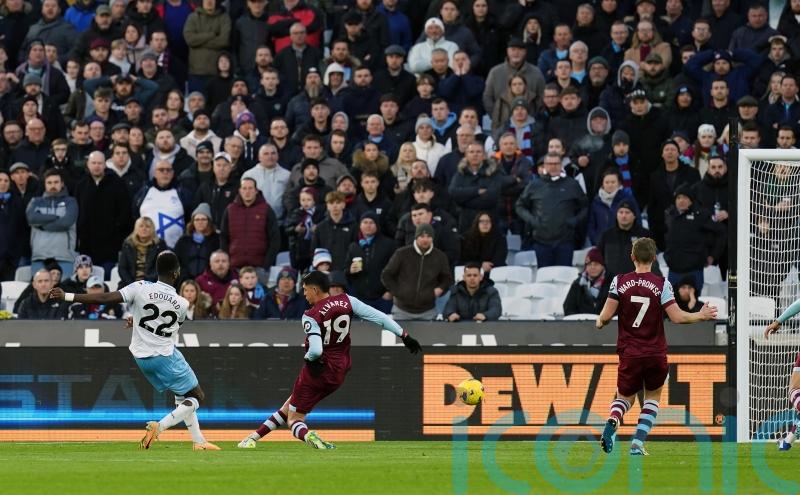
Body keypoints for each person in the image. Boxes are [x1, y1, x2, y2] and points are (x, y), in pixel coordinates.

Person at [49, 251, 220, 450]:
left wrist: (68, 295)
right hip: (164, 355)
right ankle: (159, 427)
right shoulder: (182, 303)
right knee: (197, 396)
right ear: (176, 273)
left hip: (141, 357)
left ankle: (198, 442)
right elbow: (169, 327)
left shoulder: (140, 287)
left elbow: (106, 297)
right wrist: (140, 320)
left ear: (156, 270)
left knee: (182, 395)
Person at [237, 270, 422, 449]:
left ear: (315, 290)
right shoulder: (347, 300)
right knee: (290, 405)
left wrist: (308, 357)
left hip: (317, 369)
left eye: (305, 289)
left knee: (294, 419)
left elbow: (316, 350)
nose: (304, 294)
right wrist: (404, 335)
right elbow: (380, 317)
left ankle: (308, 435)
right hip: (340, 370)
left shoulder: (310, 315)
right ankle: (252, 438)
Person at [596, 237, 717, 456]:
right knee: (653, 396)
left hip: (629, 352)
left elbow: (605, 317)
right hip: (654, 352)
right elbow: (677, 317)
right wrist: (700, 314)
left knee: (623, 397)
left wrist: (600, 322)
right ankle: (637, 444)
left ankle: (614, 419)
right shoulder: (662, 284)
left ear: (632, 256)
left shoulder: (619, 281)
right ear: (653, 258)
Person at [515, 153, 588, 267]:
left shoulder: (572, 184)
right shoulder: (534, 185)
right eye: (550, 164)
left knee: (564, 278)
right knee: (544, 278)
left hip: (565, 241)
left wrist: (575, 221)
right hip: (541, 242)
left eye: (556, 164)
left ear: (561, 165)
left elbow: (585, 207)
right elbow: (519, 206)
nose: (553, 166)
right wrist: (533, 221)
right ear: (544, 166)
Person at [381, 223, 453, 320]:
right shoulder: (402, 254)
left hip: (428, 310)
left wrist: (439, 289)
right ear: (416, 237)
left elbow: (447, 278)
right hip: (402, 310)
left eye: (429, 236)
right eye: (422, 236)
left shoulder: (440, 256)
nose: (425, 239)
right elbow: (386, 275)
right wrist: (397, 291)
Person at [26, 169, 79, 277]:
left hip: (65, 256)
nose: (53, 185)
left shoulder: (71, 202)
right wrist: (56, 217)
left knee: (64, 292)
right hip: (39, 256)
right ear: (44, 184)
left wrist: (42, 225)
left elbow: (65, 223)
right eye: (49, 182)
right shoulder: (35, 201)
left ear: (62, 183)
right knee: (39, 291)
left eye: (56, 182)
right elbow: (31, 218)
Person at [220, 177, 280, 270]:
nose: (247, 192)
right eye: (244, 188)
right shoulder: (230, 209)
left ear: (256, 191)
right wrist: (227, 261)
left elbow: (274, 239)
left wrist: (267, 264)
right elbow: (223, 237)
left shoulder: (266, 209)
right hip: (234, 267)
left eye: (250, 188)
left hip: (260, 267)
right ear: (239, 191)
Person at [345, 211, 397, 313]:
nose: (368, 225)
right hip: (359, 299)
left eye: (371, 222)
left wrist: (390, 292)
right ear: (360, 225)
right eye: (365, 222)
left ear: (377, 225)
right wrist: (350, 270)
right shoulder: (354, 246)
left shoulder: (389, 244)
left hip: (383, 298)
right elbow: (345, 272)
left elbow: (397, 271)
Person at [173, 203, 221, 283]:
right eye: (197, 219)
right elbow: (175, 262)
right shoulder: (183, 241)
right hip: (185, 283)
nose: (200, 222)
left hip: (209, 281)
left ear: (209, 221)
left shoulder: (217, 240)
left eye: (203, 219)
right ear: (193, 222)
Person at [118, 216, 169, 287]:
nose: (144, 229)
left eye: (147, 226)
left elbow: (161, 268)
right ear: (136, 228)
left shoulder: (160, 245)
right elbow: (122, 269)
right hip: (129, 284)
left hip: (153, 284)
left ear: (152, 229)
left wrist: (145, 285)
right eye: (141, 226)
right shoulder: (128, 244)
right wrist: (132, 285)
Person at [563, 248, 608, 316]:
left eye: (596, 264)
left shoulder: (612, 284)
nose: (592, 267)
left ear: (602, 266)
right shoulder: (577, 284)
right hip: (581, 324)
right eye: (589, 264)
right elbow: (568, 308)